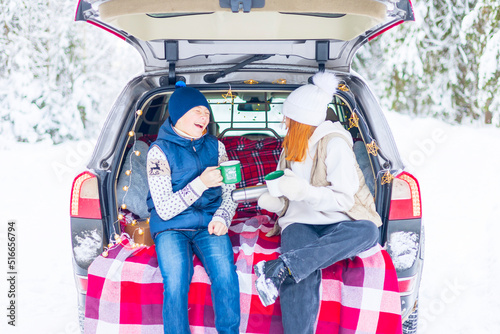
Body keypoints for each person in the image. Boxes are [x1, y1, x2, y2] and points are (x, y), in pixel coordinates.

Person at [255, 72, 382, 334]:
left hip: (337, 221)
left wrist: (306, 192)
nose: (285, 124)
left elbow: (345, 199)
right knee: (302, 274)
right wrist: (278, 205)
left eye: (289, 119)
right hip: (299, 222)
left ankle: (282, 266)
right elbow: (289, 195)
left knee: (369, 231)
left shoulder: (335, 144)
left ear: (304, 121)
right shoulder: (290, 146)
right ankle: (288, 269)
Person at [146, 82, 240, 334]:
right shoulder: (158, 152)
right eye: (197, 110)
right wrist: (201, 183)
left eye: (207, 112)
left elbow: (231, 192)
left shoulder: (216, 147)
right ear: (178, 114)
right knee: (175, 282)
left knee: (226, 276)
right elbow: (164, 209)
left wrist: (223, 216)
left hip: (208, 222)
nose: (205, 116)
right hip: (171, 227)